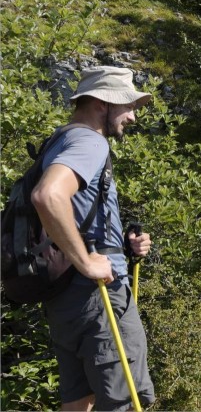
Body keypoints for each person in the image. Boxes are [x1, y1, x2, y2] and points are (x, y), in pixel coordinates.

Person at [31, 66, 156, 411]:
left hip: (66, 298)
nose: (132, 116)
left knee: (79, 401)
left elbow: (75, 212)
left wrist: (121, 246)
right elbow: (47, 197)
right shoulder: (89, 141)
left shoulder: (59, 139)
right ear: (103, 102)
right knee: (125, 399)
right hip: (97, 295)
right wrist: (88, 261)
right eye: (128, 105)